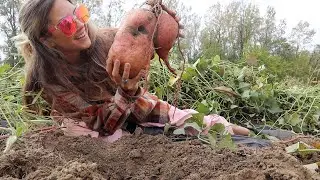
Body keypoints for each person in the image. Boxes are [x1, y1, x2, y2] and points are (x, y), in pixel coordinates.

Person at [16, 0, 249, 143]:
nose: (79, 25)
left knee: (198, 123)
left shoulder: (108, 40)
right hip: (97, 129)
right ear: (47, 40)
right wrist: (125, 93)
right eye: (67, 24)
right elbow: (101, 125)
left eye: (80, 14)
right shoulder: (51, 83)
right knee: (90, 136)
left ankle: (252, 135)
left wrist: (162, 27)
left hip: (136, 107)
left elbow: (139, 37)